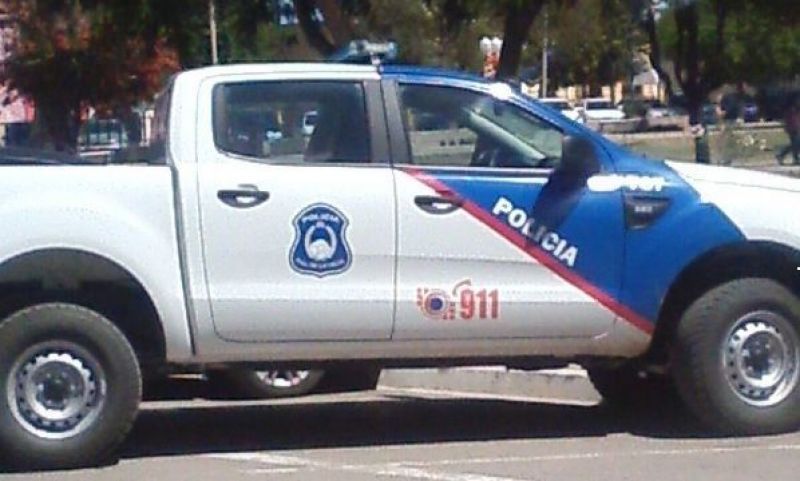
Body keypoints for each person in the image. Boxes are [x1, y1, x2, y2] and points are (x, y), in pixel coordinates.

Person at [777, 99, 800, 165]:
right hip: (792, 126)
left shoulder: (794, 108)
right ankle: (781, 154)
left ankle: (795, 158)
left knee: (795, 143)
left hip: (794, 126)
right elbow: (788, 118)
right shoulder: (791, 108)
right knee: (796, 143)